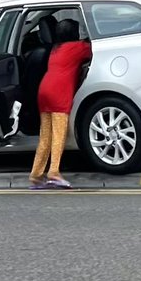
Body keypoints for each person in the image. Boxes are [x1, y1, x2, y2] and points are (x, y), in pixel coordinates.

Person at [29, 18, 93, 189]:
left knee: (45, 137)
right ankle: (54, 173)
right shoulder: (77, 48)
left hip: (43, 91)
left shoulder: (54, 50)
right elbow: (93, 48)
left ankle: (36, 175)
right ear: (74, 33)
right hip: (58, 93)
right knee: (59, 135)